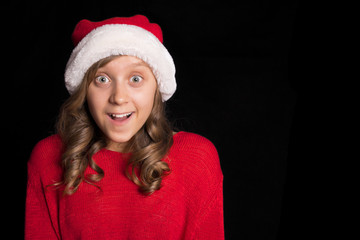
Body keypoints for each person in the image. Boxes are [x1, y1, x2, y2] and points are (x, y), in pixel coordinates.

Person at [25, 15, 224, 240]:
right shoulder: (47, 157)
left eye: (136, 79)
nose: (119, 98)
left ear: (156, 88)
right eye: (102, 79)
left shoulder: (196, 158)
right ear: (84, 90)